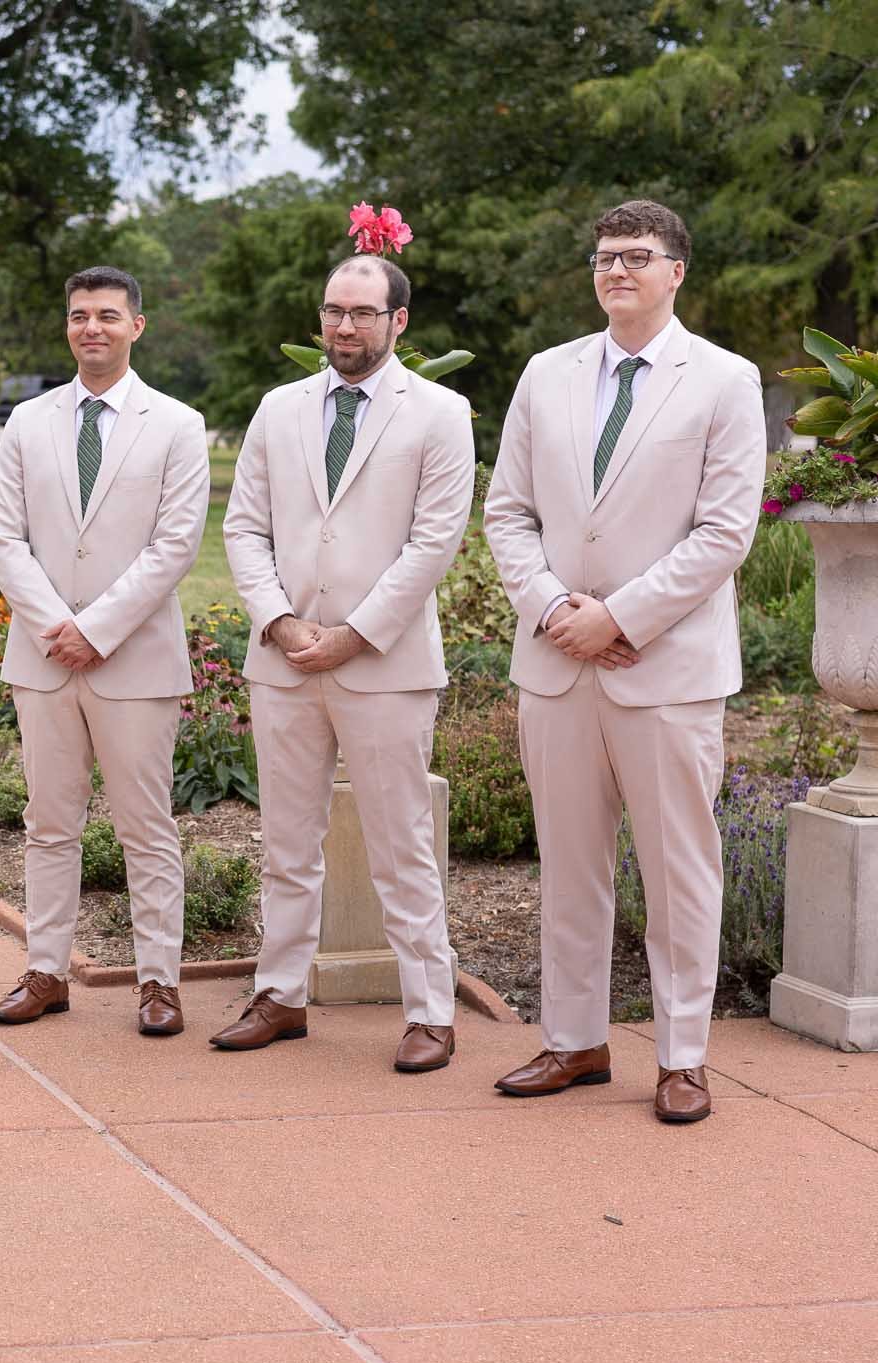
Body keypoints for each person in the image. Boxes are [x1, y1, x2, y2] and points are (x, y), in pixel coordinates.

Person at [482, 198, 766, 1124]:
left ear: (676, 271)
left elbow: (726, 529)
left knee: (681, 868)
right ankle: (574, 1040)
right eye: (605, 256)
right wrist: (554, 606)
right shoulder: (546, 374)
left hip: (667, 667)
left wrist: (624, 614)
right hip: (557, 660)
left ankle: (683, 1055)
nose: (617, 270)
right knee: (569, 863)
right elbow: (508, 513)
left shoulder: (723, 379)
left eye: (637, 256)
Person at [212, 252, 470, 1069]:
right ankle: (280, 994)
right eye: (333, 311)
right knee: (287, 842)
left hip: (384, 666)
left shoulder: (440, 412)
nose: (344, 326)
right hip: (285, 663)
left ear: (399, 321)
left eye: (362, 313)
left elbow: (434, 541)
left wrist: (354, 635)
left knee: (402, 846)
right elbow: (244, 529)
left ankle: (431, 1011)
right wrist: (283, 624)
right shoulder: (278, 408)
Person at [0, 265, 210, 1035]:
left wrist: (98, 629)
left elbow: (175, 546)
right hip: (43, 658)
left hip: (135, 661)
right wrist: (58, 627)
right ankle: (45, 971)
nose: (92, 328)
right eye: (80, 315)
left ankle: (159, 982)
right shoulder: (27, 421)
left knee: (147, 826)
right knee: (49, 822)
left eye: (108, 315)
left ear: (136, 326)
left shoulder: (177, 424)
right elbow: (3, 539)